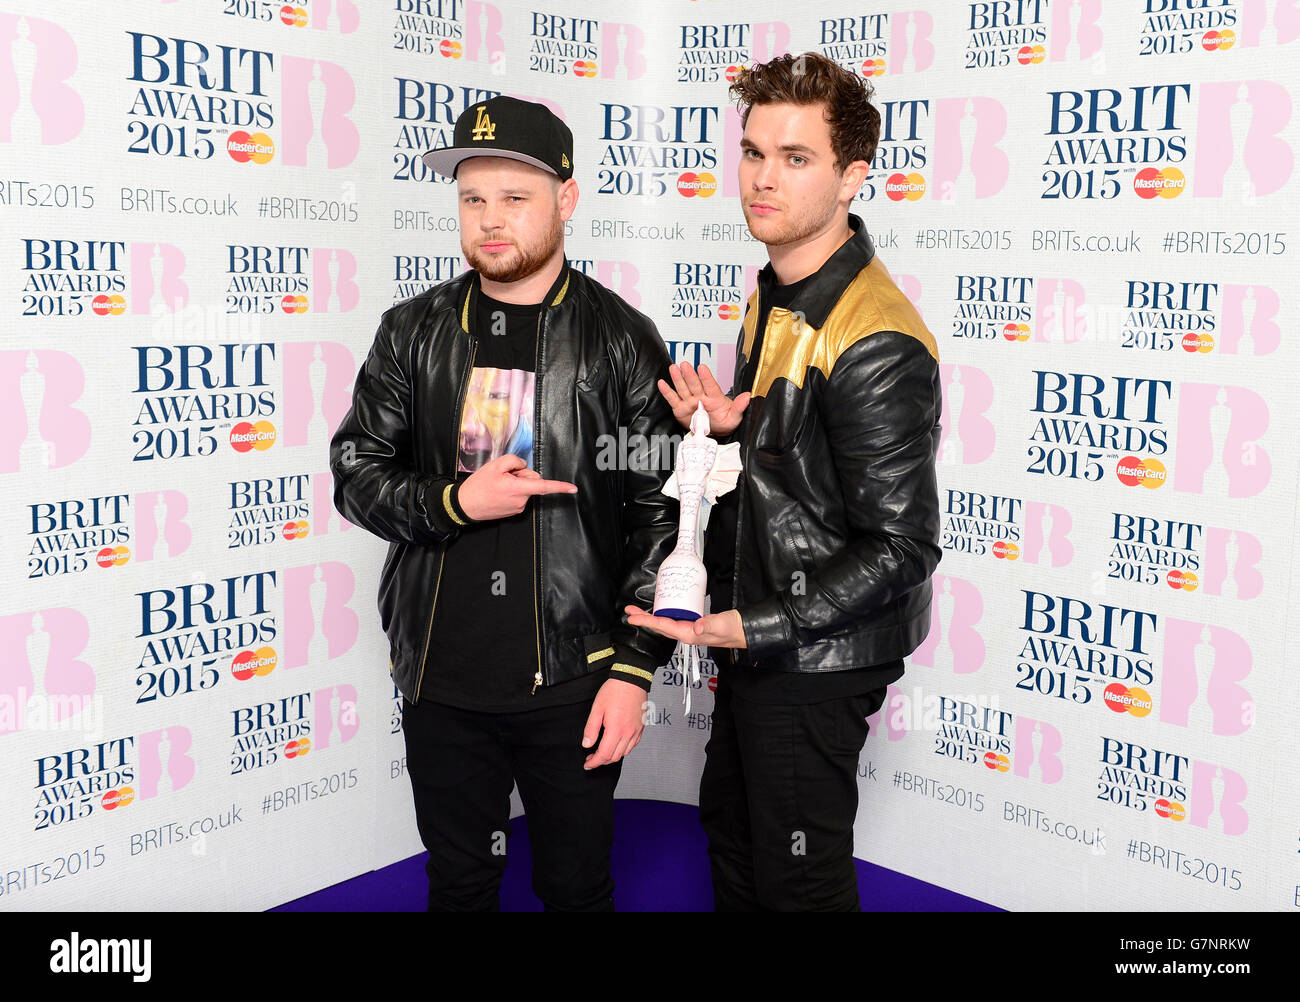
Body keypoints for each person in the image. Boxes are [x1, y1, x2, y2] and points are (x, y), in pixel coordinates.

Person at [330, 96, 677, 911]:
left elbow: (661, 515)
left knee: (575, 887)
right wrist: (454, 501)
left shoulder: (621, 339)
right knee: (459, 884)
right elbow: (355, 471)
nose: (491, 220)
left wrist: (634, 670)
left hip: (575, 679)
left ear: (568, 197)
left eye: (515, 198)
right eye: (472, 198)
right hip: (441, 680)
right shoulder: (412, 332)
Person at [627, 52, 942, 911]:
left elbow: (904, 545)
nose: (763, 179)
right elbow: (809, 456)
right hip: (765, 632)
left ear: (852, 178)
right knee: (732, 829)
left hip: (815, 654)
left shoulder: (875, 337)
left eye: (796, 158)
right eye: (754, 151)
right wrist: (742, 421)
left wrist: (753, 624)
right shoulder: (779, 285)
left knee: (797, 876)